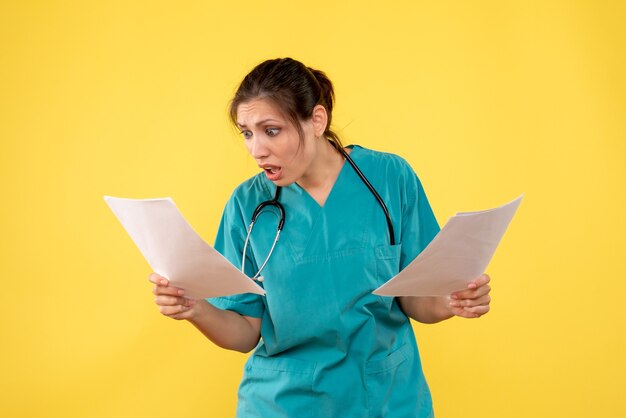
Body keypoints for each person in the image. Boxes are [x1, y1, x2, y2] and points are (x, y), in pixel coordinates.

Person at [148, 57, 491, 418]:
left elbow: (416, 298)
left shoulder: (389, 178)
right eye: (247, 133)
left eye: (271, 130)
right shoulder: (247, 206)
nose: (256, 149)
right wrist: (195, 309)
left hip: (383, 398)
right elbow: (245, 331)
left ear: (316, 120)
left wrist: (452, 302)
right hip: (285, 403)